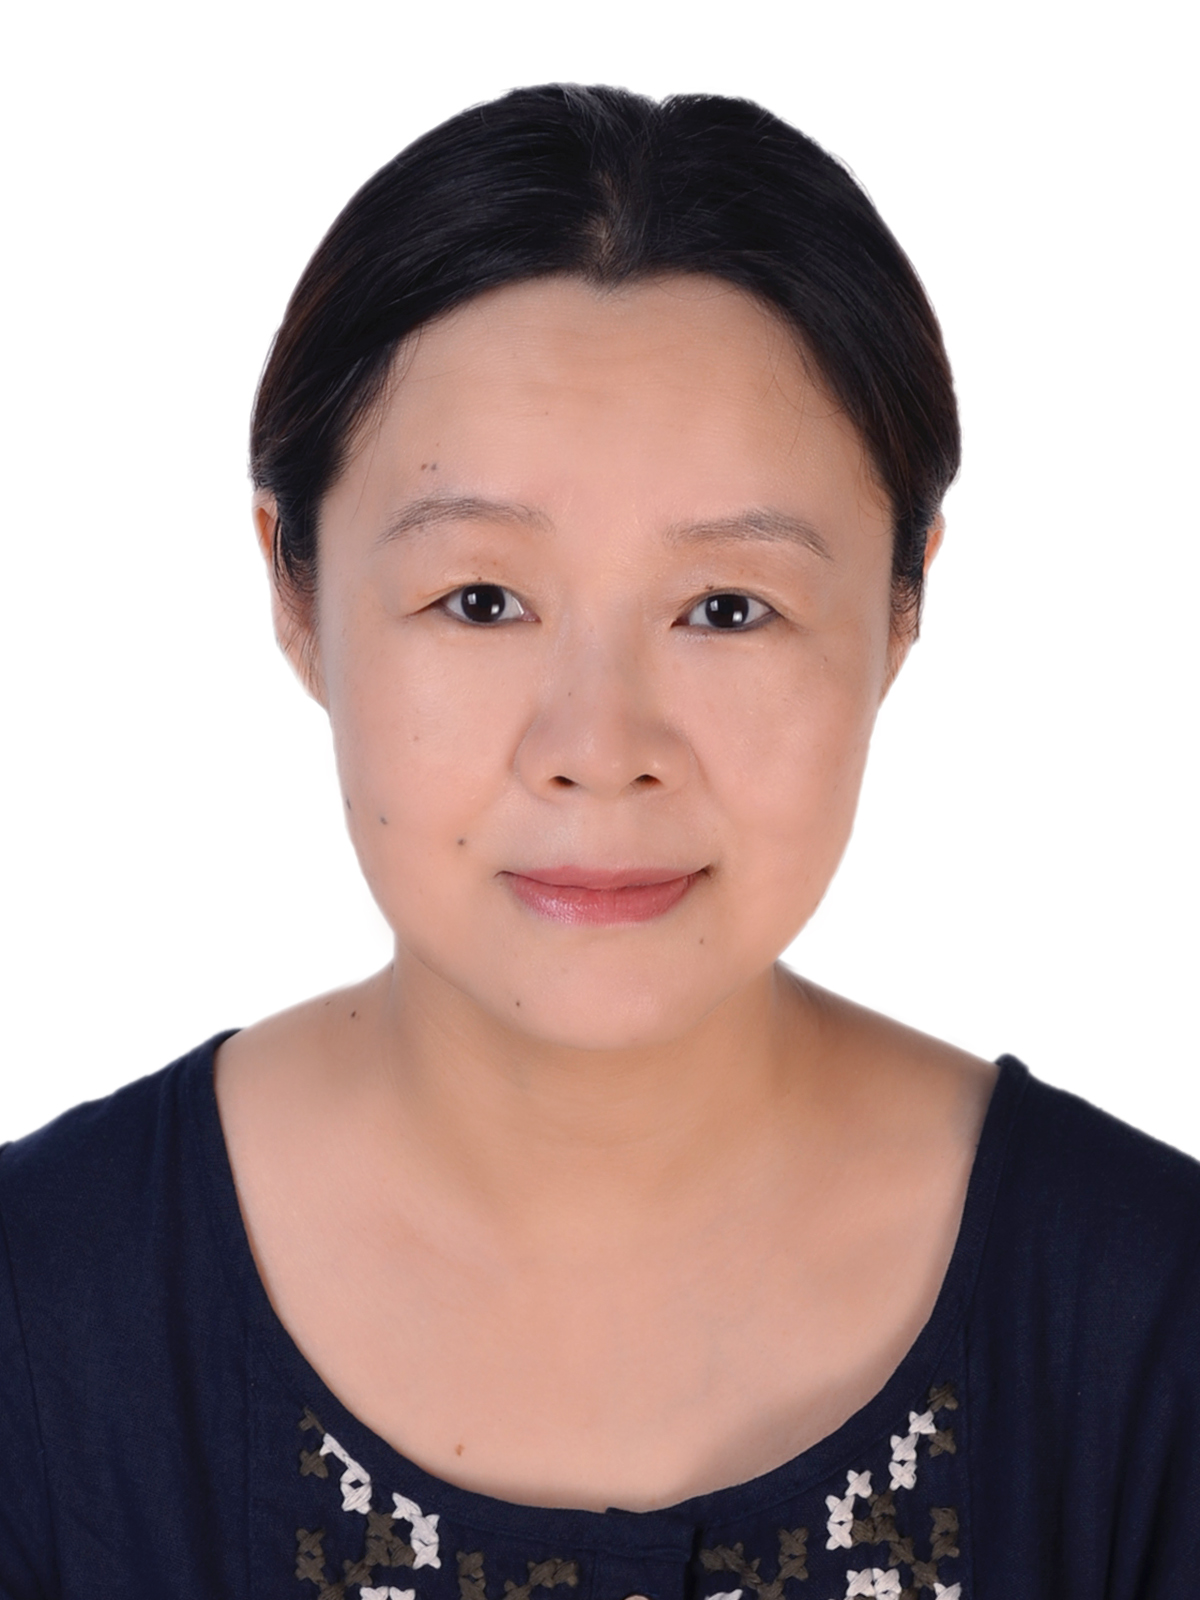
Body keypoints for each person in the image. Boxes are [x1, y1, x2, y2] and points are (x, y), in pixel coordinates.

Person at [0, 83, 1195, 1600]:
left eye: (728, 608)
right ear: (293, 592)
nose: (599, 746)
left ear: (903, 608)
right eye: (482, 600)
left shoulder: (1151, 1328)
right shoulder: (39, 1316)